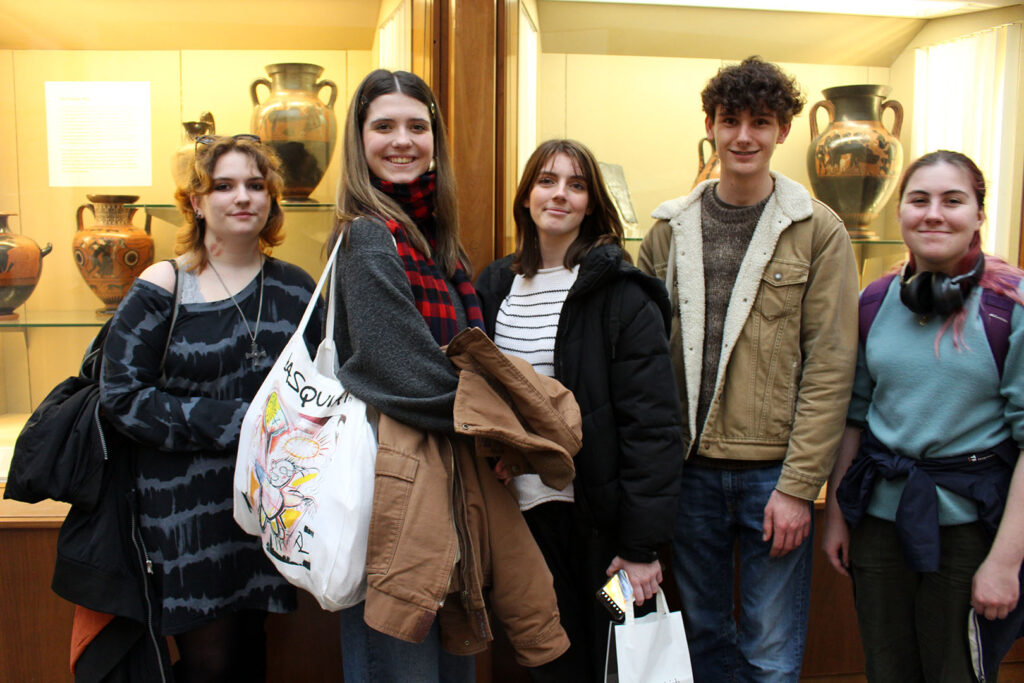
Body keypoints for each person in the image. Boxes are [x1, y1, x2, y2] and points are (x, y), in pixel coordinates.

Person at [332, 69, 577, 683]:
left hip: (451, 483)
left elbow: (462, 360)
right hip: (399, 488)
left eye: (417, 126)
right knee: (406, 662)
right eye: (382, 126)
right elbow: (406, 376)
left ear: (435, 139)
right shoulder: (368, 236)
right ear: (358, 141)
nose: (402, 140)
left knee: (451, 666)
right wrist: (508, 426)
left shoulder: (439, 247)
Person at [637, 56, 859, 681]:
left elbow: (831, 367)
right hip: (688, 477)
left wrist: (798, 488)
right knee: (703, 639)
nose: (743, 136)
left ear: (783, 130)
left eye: (760, 122)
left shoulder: (820, 231)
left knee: (769, 649)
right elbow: (646, 368)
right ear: (709, 124)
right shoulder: (667, 230)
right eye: (730, 120)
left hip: (773, 479)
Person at [99, 134, 322, 681]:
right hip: (183, 513)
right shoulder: (166, 283)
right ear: (197, 202)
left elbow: (320, 392)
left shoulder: (296, 289)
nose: (242, 197)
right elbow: (121, 397)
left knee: (252, 650)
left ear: (271, 199)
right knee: (209, 664)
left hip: (268, 504)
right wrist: (238, 422)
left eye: (255, 185)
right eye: (223, 186)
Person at [474, 139, 685, 681]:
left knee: (614, 653)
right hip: (521, 521)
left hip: (602, 532)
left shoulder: (621, 293)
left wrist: (640, 548)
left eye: (576, 184)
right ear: (526, 197)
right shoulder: (497, 285)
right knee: (550, 658)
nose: (560, 195)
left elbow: (652, 426)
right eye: (546, 181)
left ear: (592, 202)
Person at [822, 150, 1024, 682]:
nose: (934, 213)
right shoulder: (874, 301)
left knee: (954, 671)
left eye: (953, 201)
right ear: (901, 214)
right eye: (919, 200)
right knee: (886, 669)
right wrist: (838, 518)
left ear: (980, 213)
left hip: (971, 531)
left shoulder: (1011, 306)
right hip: (880, 524)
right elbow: (855, 419)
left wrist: (1005, 563)